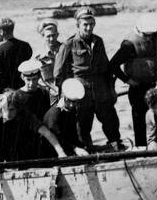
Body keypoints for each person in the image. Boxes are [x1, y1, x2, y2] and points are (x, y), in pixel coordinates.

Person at [53, 8, 123, 151]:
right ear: (78, 25)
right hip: (80, 91)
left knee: (111, 120)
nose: (89, 27)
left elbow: (106, 68)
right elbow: (58, 74)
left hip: (100, 89)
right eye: (85, 24)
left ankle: (116, 147)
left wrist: (111, 90)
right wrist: (67, 94)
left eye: (91, 24)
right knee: (82, 126)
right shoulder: (69, 44)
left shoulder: (99, 41)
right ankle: (86, 152)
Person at [109, 15, 157, 146]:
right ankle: (141, 148)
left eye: (152, 35)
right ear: (139, 31)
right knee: (140, 121)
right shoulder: (129, 44)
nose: (150, 38)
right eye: (147, 35)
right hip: (138, 88)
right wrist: (127, 80)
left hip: (155, 86)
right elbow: (113, 65)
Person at [0, 90, 62, 163]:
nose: (8, 113)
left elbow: (47, 133)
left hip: (21, 151)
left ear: (18, 108)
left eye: (11, 109)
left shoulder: (26, 116)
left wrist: (61, 152)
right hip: (0, 153)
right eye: (5, 109)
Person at [42, 78, 91, 158]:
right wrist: (75, 149)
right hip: (53, 153)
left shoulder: (70, 111)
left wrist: (83, 147)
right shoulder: (54, 116)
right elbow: (57, 140)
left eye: (75, 102)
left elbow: (73, 137)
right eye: (69, 101)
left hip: (68, 148)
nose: (72, 105)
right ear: (62, 96)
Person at [37, 22, 62, 95]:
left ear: (57, 35)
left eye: (53, 35)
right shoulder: (38, 57)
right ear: (42, 36)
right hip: (47, 93)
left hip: (66, 89)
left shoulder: (66, 51)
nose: (51, 39)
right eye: (48, 36)